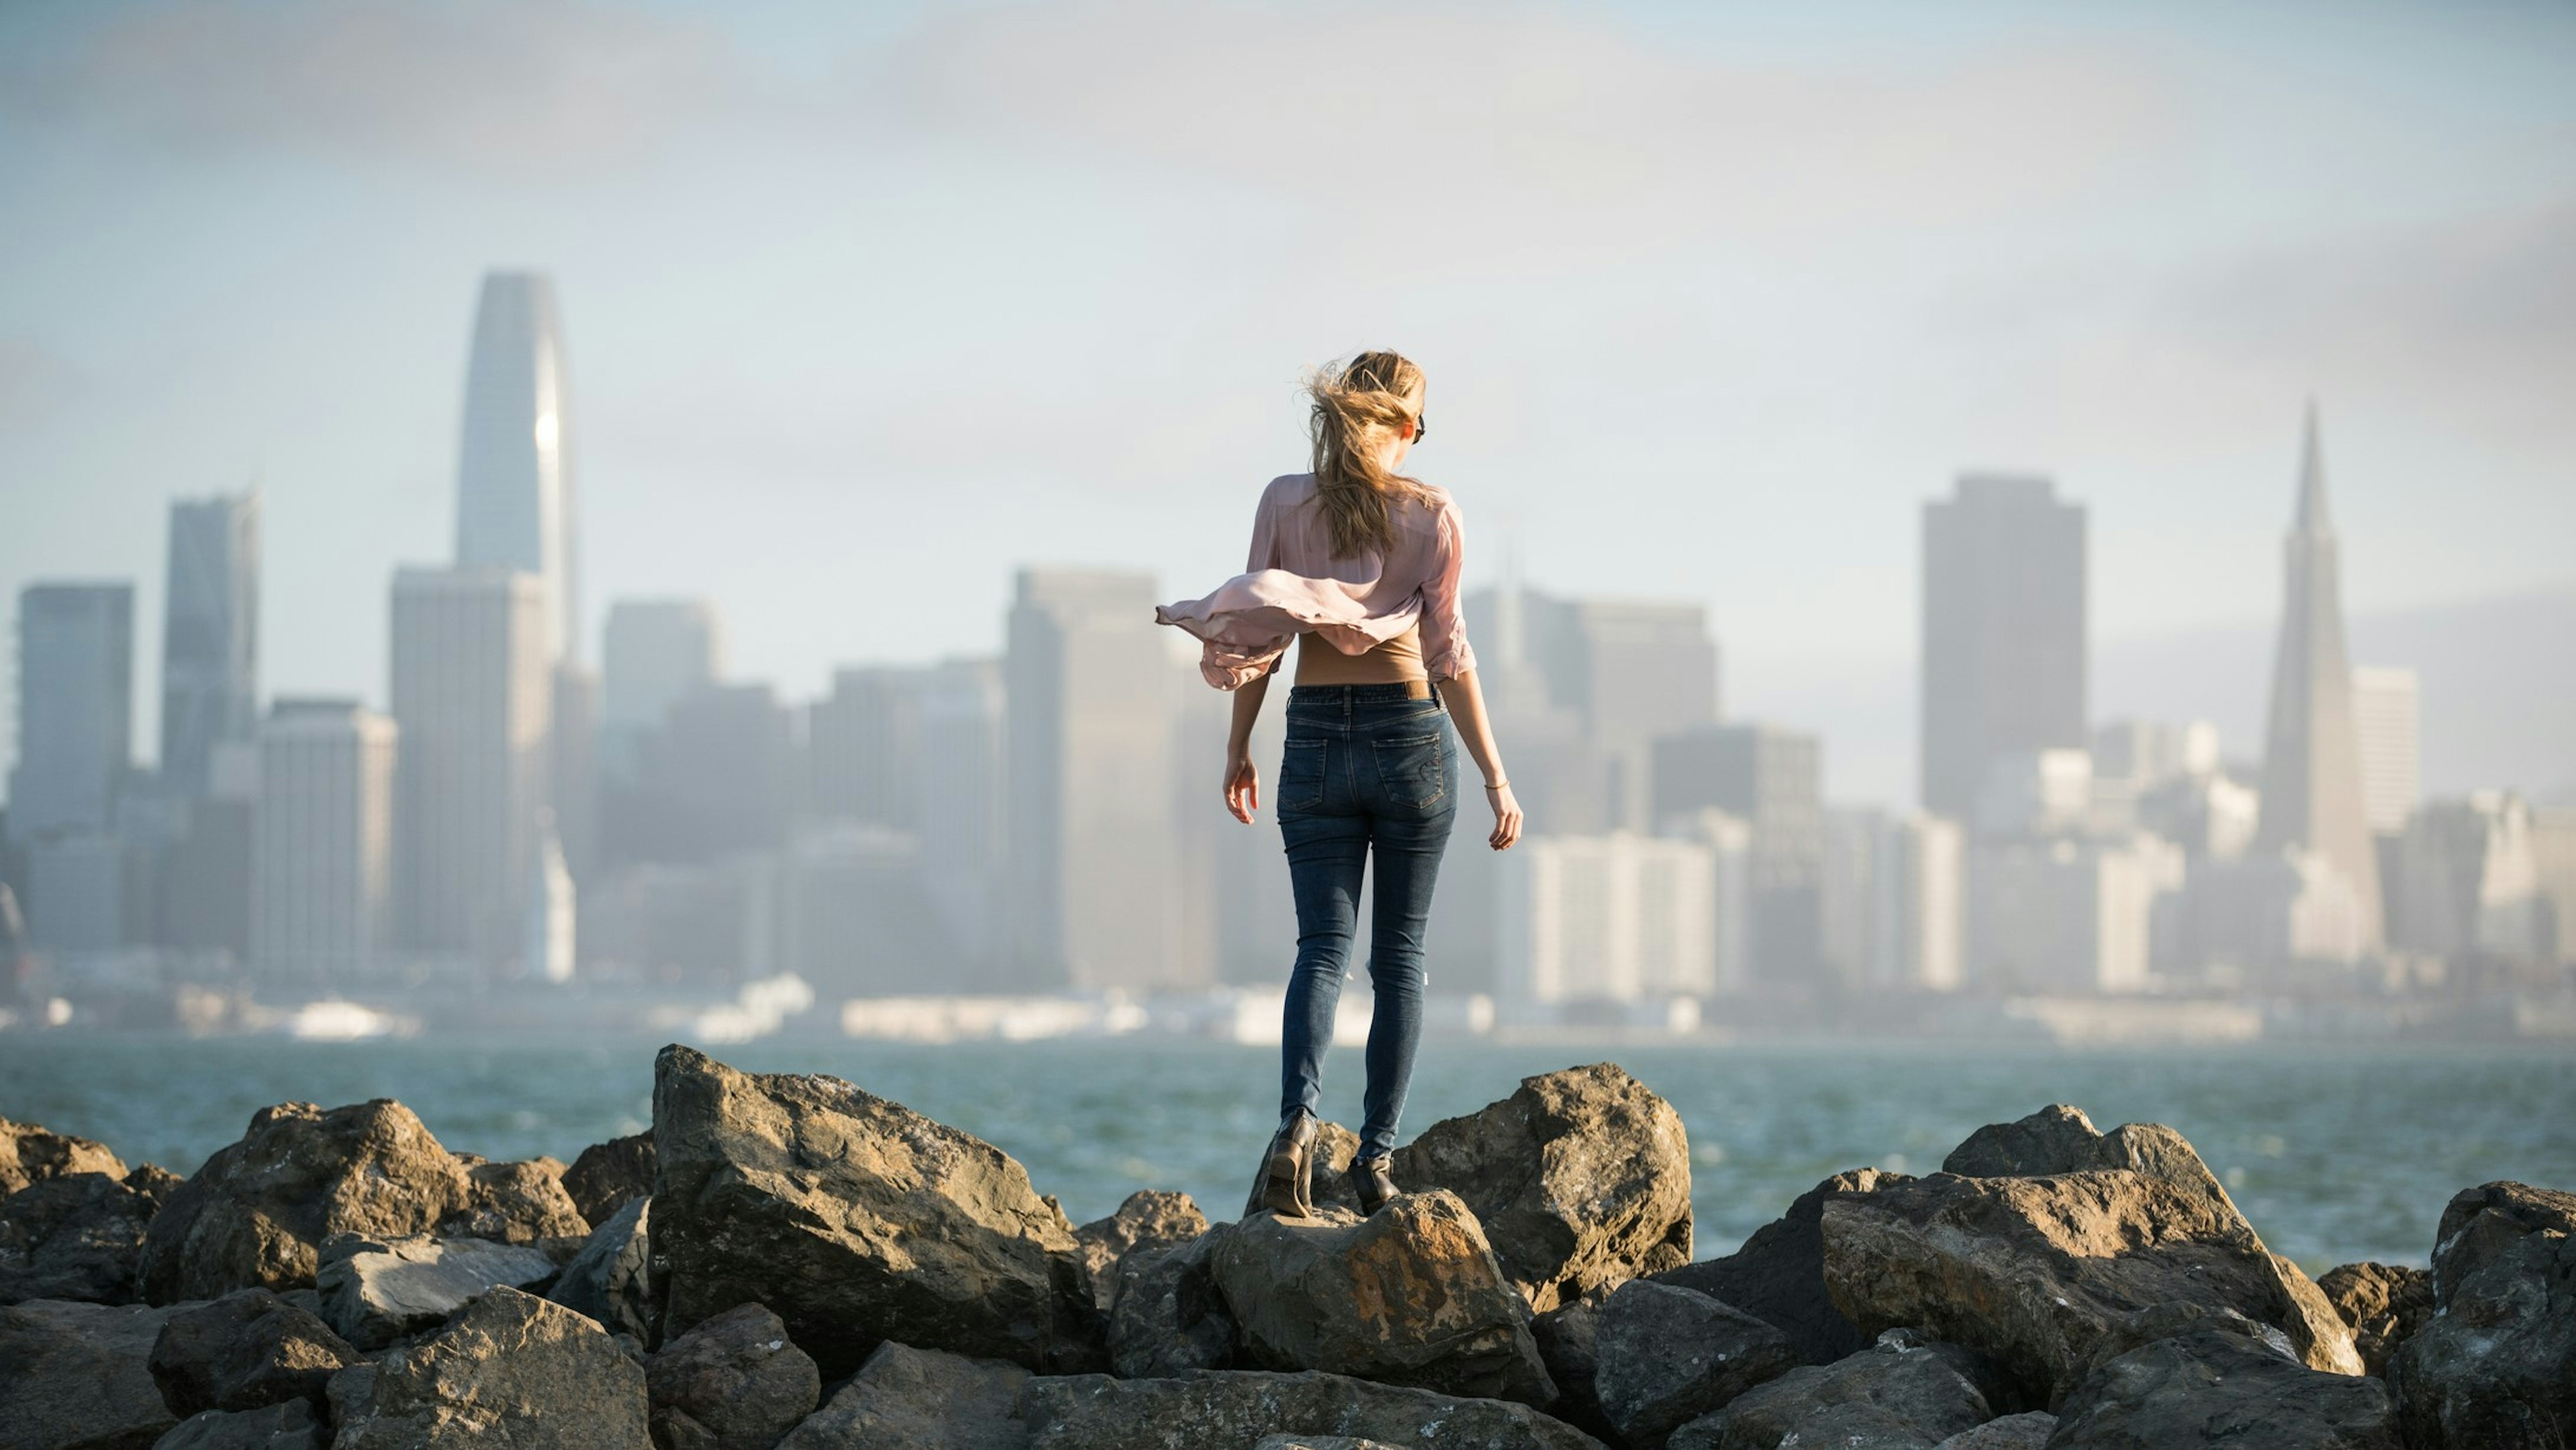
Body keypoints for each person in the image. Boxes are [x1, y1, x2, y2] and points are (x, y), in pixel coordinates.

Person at [1157, 350, 1522, 1219]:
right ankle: (1377, 1162)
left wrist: (1239, 748)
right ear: (1405, 428)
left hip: (1315, 737)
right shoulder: (1433, 514)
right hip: (1408, 737)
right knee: (1400, 961)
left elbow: (1254, 638)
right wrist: (1497, 777)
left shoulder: (1285, 499)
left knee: (1321, 949)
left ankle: (1295, 1128)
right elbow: (1451, 657)